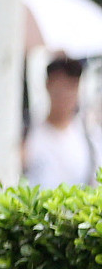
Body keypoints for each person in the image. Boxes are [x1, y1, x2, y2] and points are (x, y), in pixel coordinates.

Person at [23, 56, 98, 186]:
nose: (65, 95)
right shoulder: (29, 133)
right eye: (60, 86)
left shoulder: (89, 136)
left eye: (71, 86)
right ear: (48, 85)